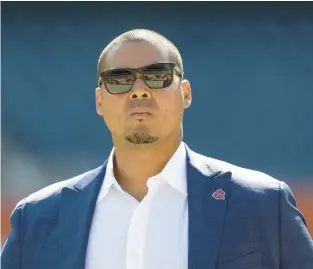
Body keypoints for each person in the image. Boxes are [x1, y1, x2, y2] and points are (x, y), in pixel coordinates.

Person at [1, 29, 313, 269]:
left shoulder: (262, 205)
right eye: (119, 80)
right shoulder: (38, 220)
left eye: (157, 76)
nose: (139, 90)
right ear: (99, 101)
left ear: (186, 93)